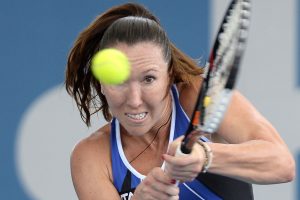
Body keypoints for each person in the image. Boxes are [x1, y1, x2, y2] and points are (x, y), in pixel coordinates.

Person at [65, 3, 295, 200]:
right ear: (102, 84)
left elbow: (282, 164)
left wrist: (205, 156)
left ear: (169, 75)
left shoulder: (198, 96)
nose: (134, 101)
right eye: (119, 82)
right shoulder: (91, 156)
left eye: (149, 79)